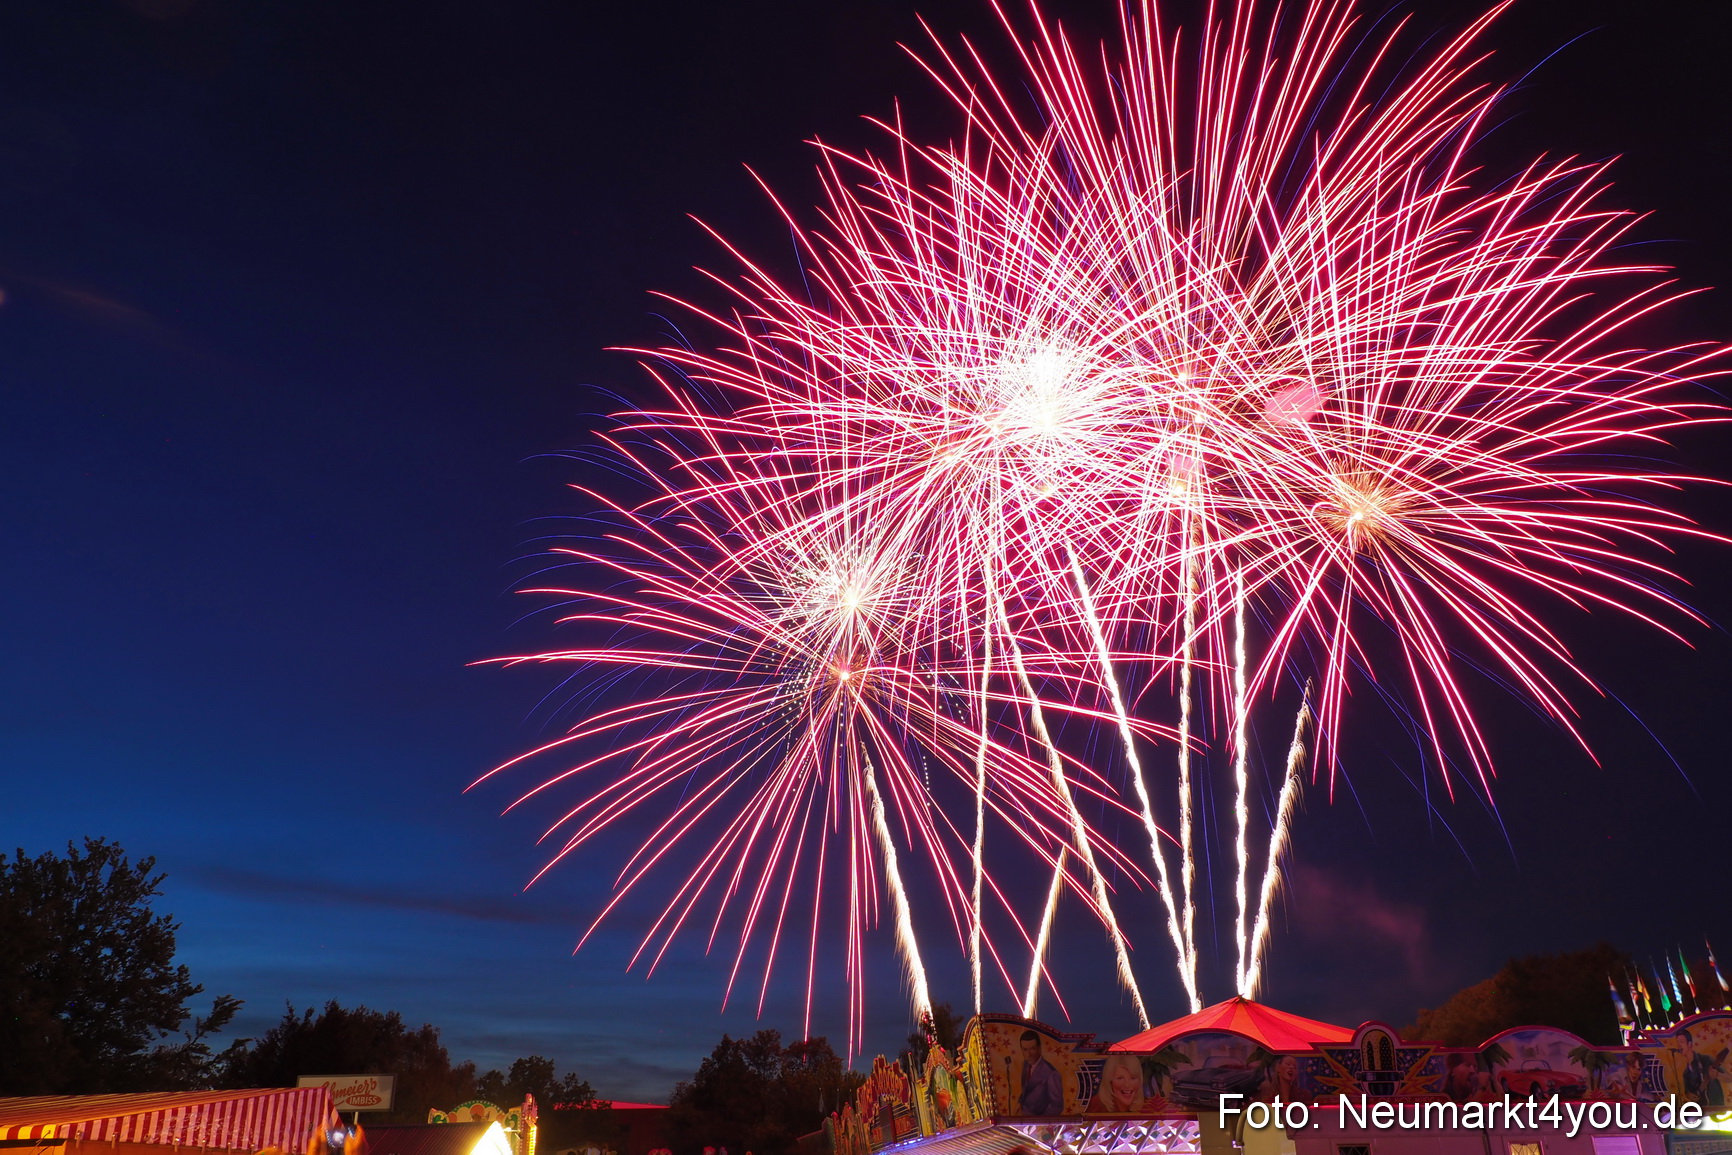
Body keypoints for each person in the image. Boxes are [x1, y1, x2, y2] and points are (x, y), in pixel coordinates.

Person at [1018, 1030, 1065, 1115]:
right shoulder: (1025, 1065)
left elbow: (1057, 1106)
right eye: (1025, 1049)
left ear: (1039, 1048)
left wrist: (1039, 1121)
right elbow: (1027, 1090)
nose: (1029, 1054)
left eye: (1032, 1049)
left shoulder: (1051, 1074)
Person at [1679, 1030, 1726, 1107]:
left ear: (1689, 1044)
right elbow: (1688, 1092)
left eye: (1681, 1041)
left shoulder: (1706, 1059)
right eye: (1678, 1042)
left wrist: (1717, 1075)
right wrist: (1689, 1094)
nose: (1679, 1045)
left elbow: (1730, 1078)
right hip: (1700, 1111)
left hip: (1716, 1107)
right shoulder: (1686, 1073)